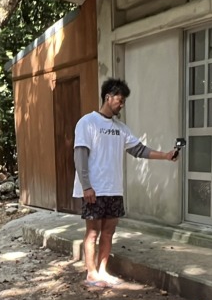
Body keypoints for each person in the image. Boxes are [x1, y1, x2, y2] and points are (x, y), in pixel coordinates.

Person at [73, 78, 179, 288]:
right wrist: (86, 186)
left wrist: (166, 155)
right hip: (94, 189)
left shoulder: (121, 128)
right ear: (108, 97)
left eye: (123, 102)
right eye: (119, 100)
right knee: (92, 232)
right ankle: (91, 274)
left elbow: (139, 150)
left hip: (114, 189)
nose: (121, 105)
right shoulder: (87, 122)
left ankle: (103, 271)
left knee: (109, 232)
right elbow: (80, 155)